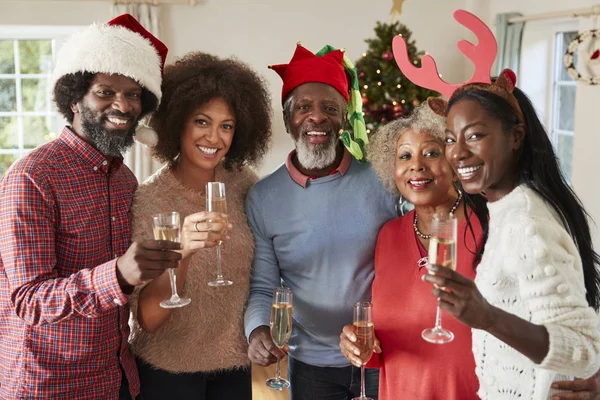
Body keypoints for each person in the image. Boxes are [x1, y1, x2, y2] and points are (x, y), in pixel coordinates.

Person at [0, 14, 179, 400]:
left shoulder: (124, 178)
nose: (123, 105)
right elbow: (29, 300)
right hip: (49, 384)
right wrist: (117, 274)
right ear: (74, 99)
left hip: (116, 377)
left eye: (134, 94)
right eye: (105, 91)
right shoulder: (32, 177)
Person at [423, 71, 600, 398]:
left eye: (474, 135)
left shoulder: (527, 220)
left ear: (516, 136)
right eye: (450, 138)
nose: (457, 152)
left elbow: (584, 349)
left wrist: (487, 317)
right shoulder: (506, 208)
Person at [244, 43, 398, 400]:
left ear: (344, 118)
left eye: (330, 108)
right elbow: (264, 287)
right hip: (309, 365)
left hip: (382, 356)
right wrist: (257, 330)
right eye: (303, 108)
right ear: (288, 120)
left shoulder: (383, 182)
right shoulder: (263, 197)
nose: (317, 117)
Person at [128, 52, 272, 400]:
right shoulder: (149, 201)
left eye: (227, 125)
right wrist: (183, 252)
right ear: (177, 122)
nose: (214, 137)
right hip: (168, 372)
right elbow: (146, 319)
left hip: (235, 367)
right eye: (201, 121)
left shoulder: (245, 185)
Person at [339, 102, 486, 400]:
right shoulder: (389, 237)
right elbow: (386, 347)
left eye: (431, 153)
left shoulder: (488, 227)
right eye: (404, 156)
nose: (416, 165)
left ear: (455, 161)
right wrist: (359, 346)